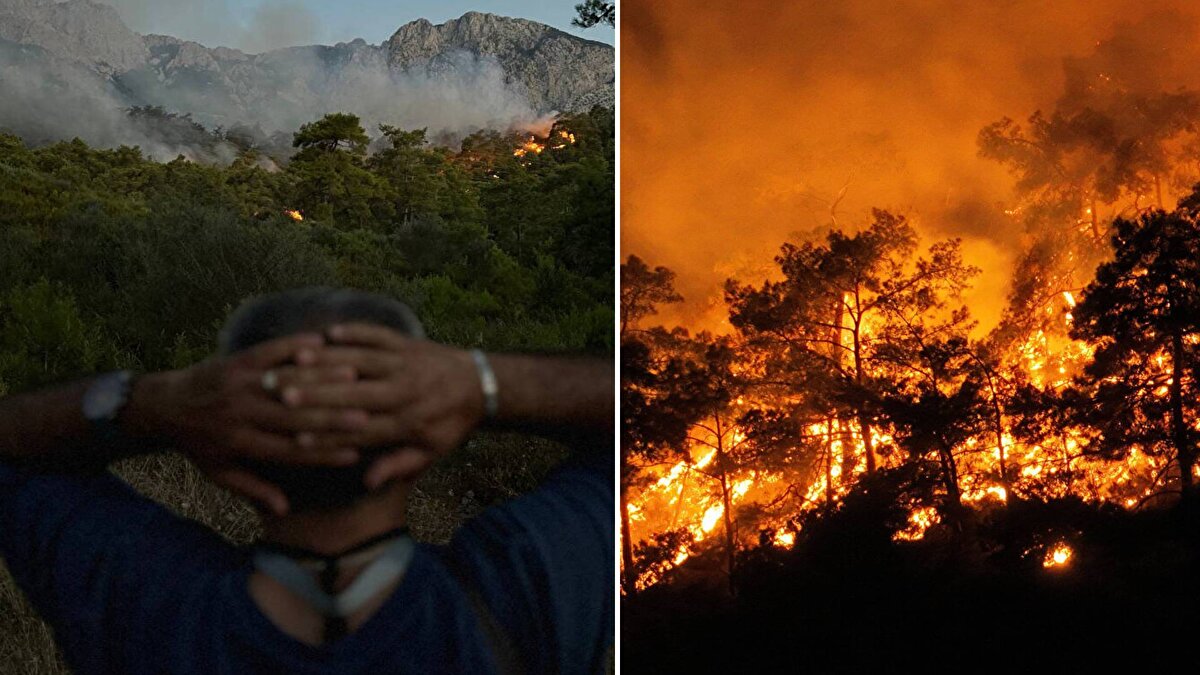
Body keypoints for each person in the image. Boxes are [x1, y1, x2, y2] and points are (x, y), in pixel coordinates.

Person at [0, 288, 614, 674]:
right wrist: (482, 384)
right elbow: (643, 411)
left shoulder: (147, 607)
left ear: (231, 466)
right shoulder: (530, 589)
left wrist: (156, 402)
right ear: (422, 452)